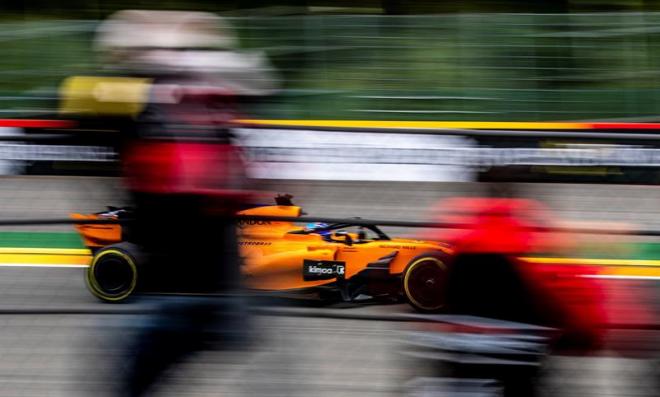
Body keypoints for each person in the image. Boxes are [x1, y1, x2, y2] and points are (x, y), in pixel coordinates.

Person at [63, 10, 278, 396]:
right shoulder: (220, 103)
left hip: (170, 284)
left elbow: (77, 112)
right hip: (220, 282)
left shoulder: (138, 102)